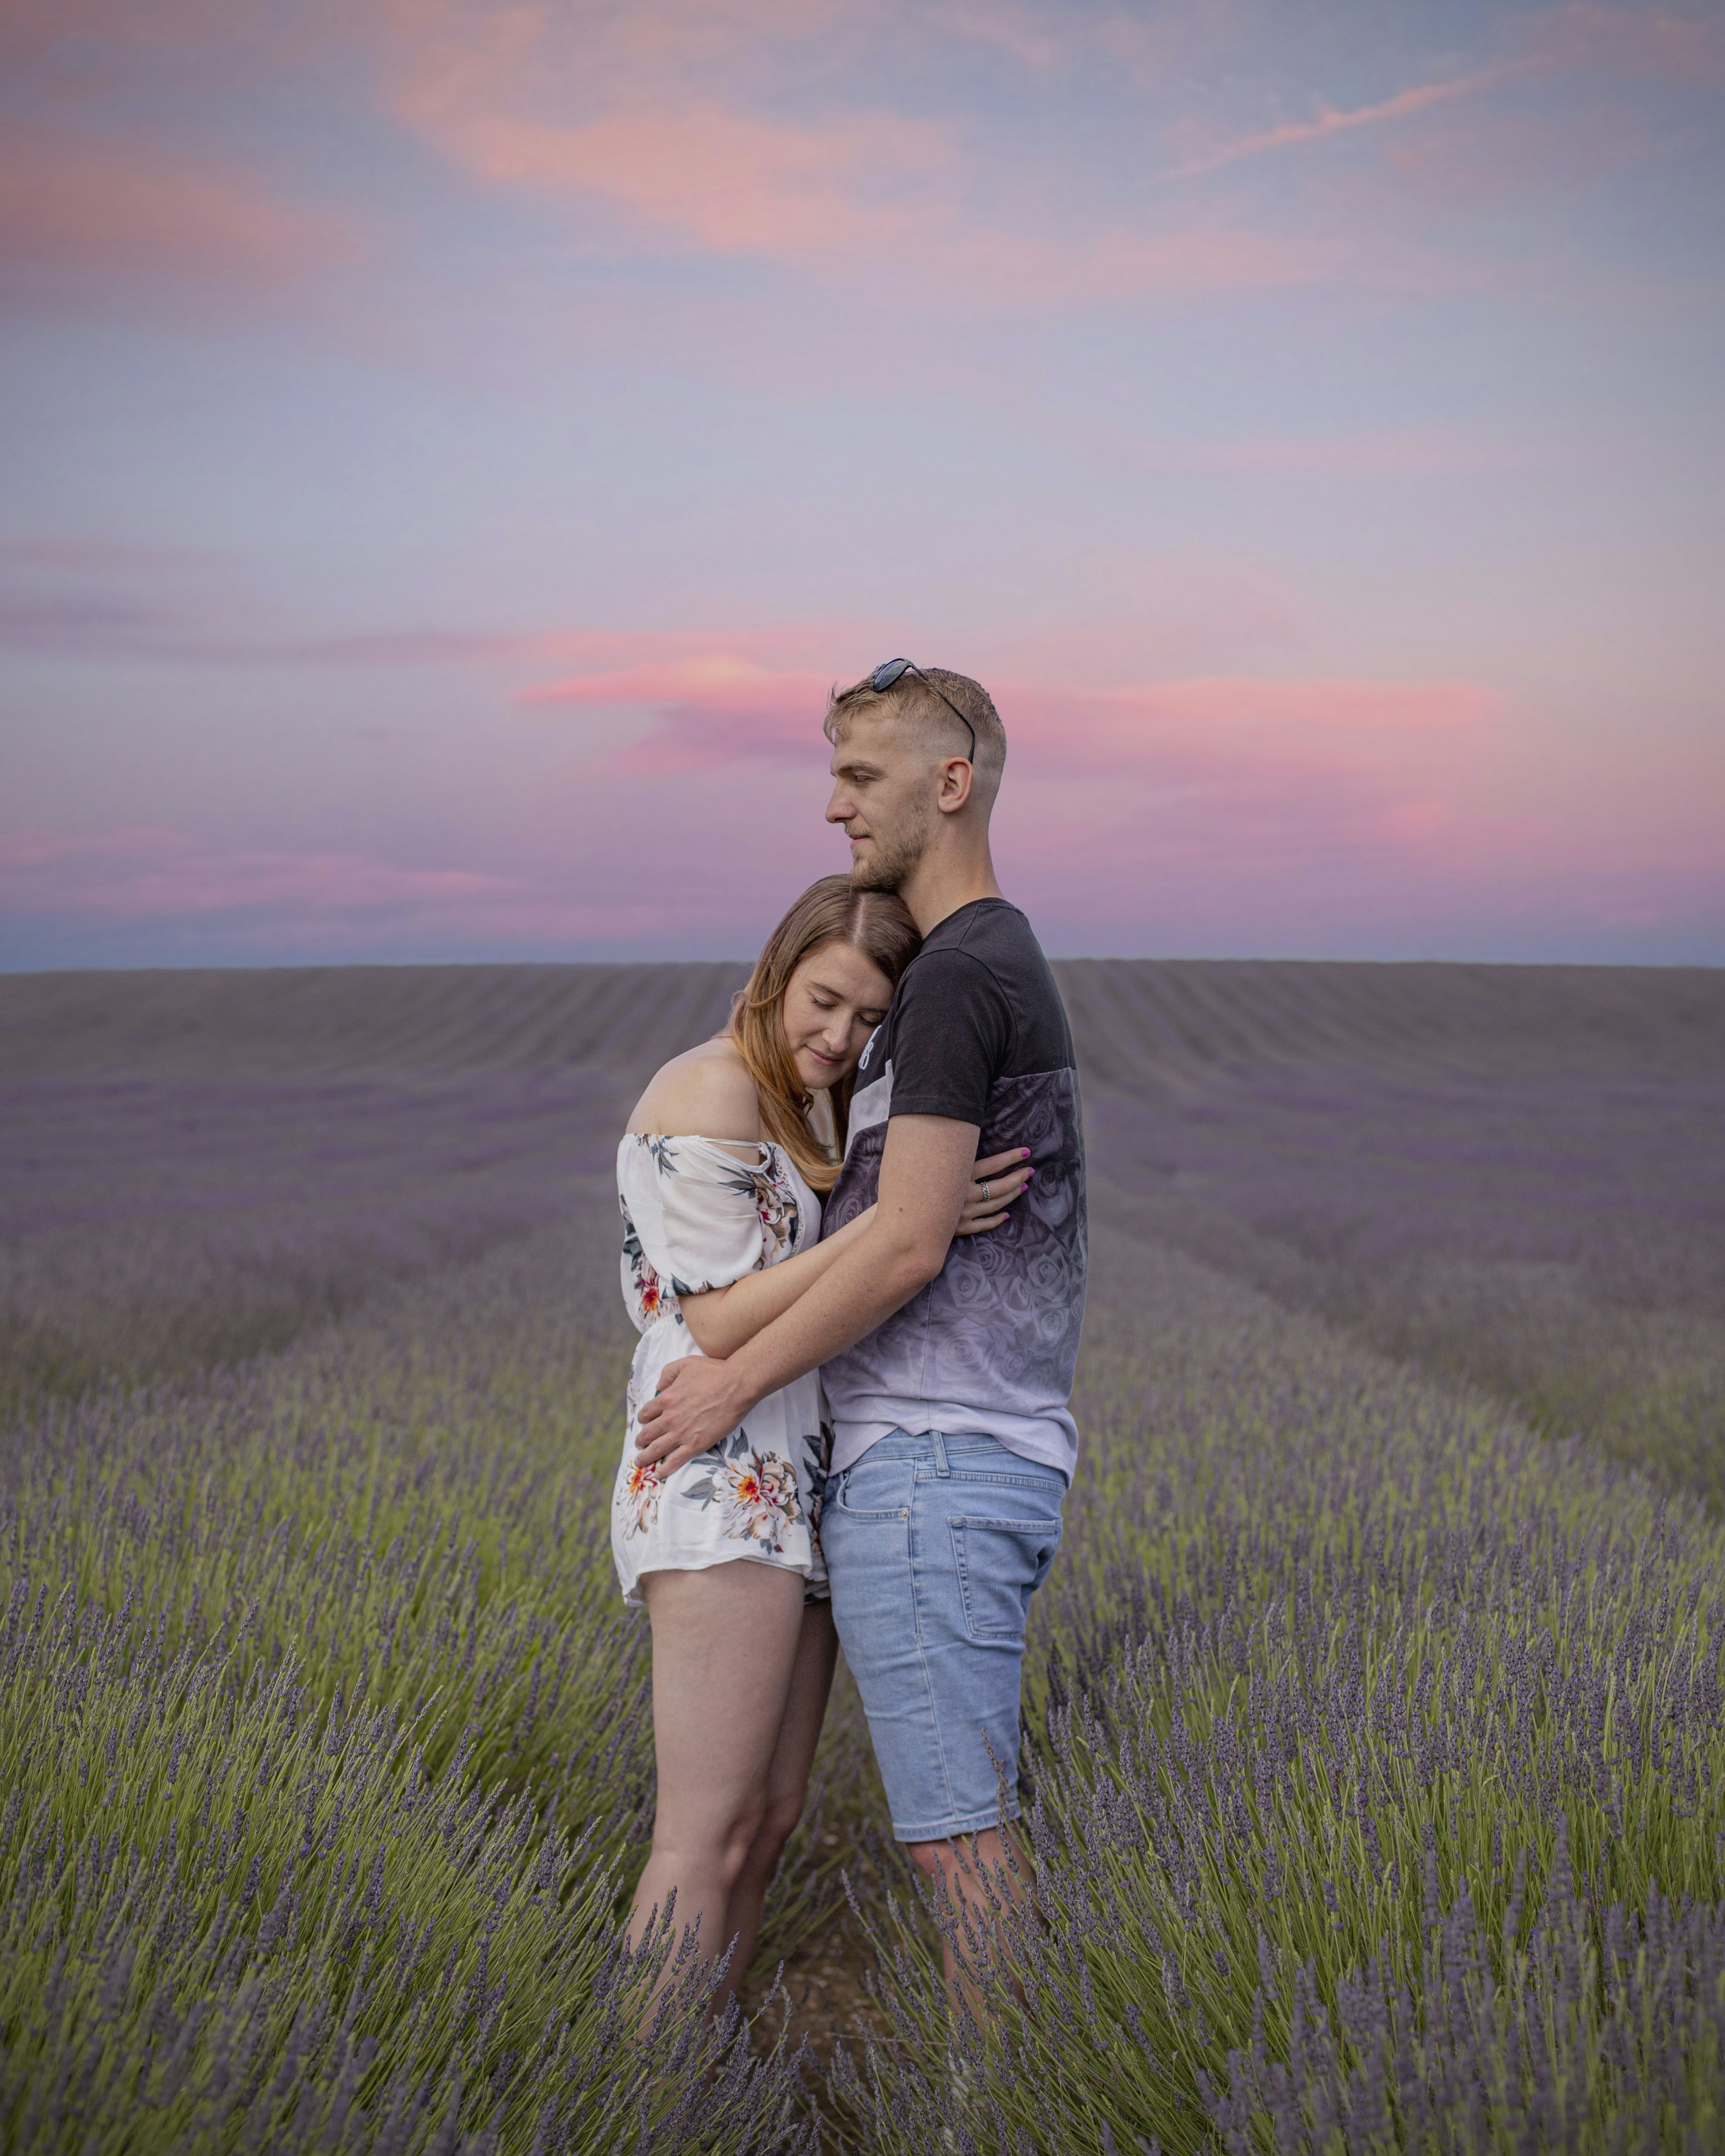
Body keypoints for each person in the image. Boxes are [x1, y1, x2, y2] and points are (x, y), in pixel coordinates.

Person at [635, 663, 1086, 1997]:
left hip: (934, 1460)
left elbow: (901, 1244)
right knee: (750, 1827)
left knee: (956, 1852)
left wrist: (731, 1387)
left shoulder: (955, 978)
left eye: (860, 778)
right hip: (905, 1465)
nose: (835, 808)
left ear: (951, 786)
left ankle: (994, 2120)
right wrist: (899, 1208)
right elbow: (888, 1219)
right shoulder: (988, 959)